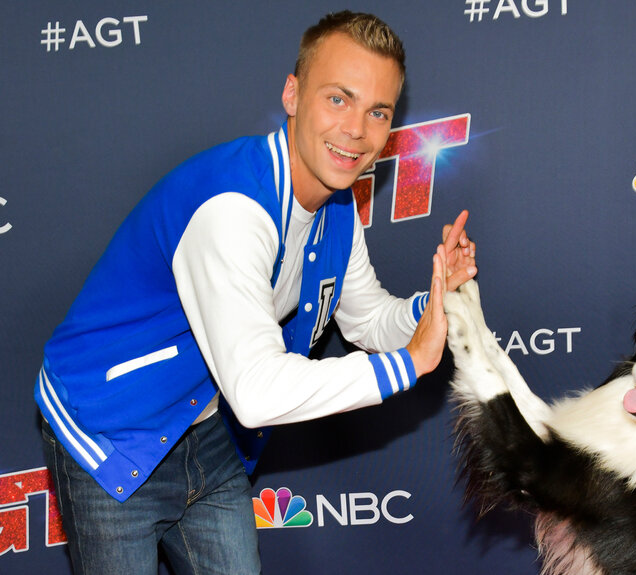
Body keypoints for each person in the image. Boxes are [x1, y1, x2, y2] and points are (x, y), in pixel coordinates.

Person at [35, 11, 476, 575]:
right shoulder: (232, 210)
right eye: (338, 99)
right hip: (111, 430)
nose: (356, 130)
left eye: (377, 112)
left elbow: (368, 320)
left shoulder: (338, 208)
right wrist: (410, 362)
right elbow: (258, 392)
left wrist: (436, 301)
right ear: (293, 95)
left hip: (205, 425)